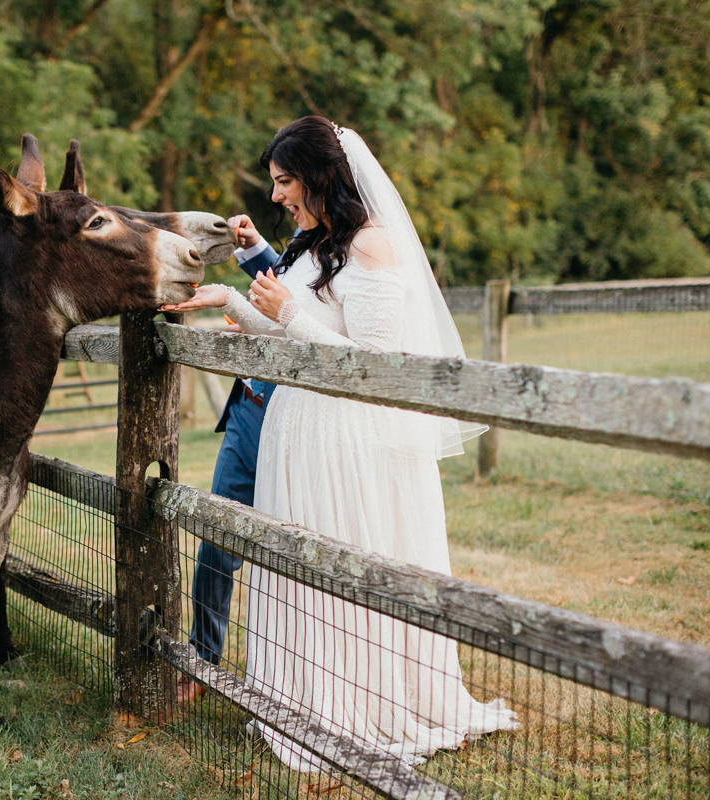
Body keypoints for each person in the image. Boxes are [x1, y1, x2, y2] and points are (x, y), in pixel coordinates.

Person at [163, 116, 517, 770]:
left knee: (343, 563)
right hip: (301, 435)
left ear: (322, 177)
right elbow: (289, 336)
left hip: (350, 438)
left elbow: (374, 365)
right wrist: (235, 303)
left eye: (284, 181)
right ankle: (303, 695)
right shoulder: (318, 243)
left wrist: (286, 314)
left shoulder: (374, 247)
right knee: (297, 563)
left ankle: (365, 699)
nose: (275, 197)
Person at [179, 224, 284, 702]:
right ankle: (202, 661)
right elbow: (287, 281)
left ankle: (296, 674)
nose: (277, 194)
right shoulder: (304, 231)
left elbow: (301, 299)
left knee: (294, 550)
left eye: (285, 181)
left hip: (296, 423)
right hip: (248, 408)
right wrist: (257, 250)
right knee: (218, 539)